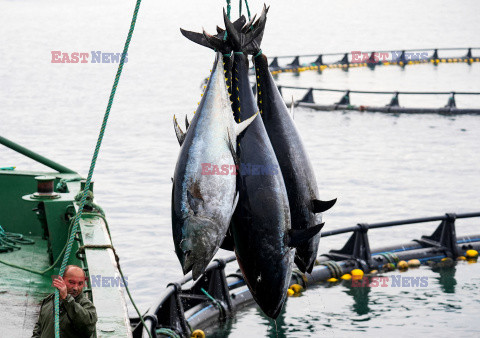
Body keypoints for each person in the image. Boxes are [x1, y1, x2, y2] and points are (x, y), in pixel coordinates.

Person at [32, 265, 97, 338]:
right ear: (61, 280)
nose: (76, 288)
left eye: (80, 284)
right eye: (71, 282)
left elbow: (87, 327)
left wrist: (66, 299)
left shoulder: (86, 306)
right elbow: (39, 328)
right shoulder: (48, 300)